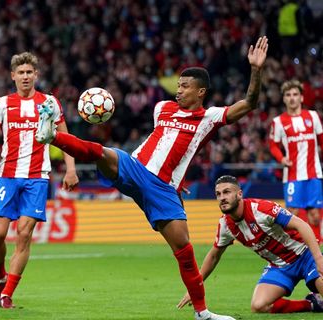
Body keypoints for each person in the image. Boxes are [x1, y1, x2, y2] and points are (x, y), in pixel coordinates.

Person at [34, 37, 270, 320]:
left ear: (201, 91)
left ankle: (202, 313)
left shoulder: (209, 117)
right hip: (135, 168)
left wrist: (255, 70)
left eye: (185, 86)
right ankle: (53, 136)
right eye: (178, 85)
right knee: (103, 153)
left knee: (184, 249)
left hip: (163, 189)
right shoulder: (162, 108)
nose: (178, 90)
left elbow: (250, 103)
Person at [0, 52, 78, 309]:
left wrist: (70, 170)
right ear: (13, 76)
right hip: (8, 176)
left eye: (29, 72)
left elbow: (67, 140)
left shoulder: (49, 103)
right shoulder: (2, 103)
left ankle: (7, 293)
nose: (25, 76)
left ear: (36, 75)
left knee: (24, 234)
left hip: (37, 177)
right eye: (20, 72)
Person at [177, 175, 323, 314]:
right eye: (218, 194)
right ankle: (311, 304)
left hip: (305, 256)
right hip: (280, 266)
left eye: (227, 192)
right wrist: (195, 287)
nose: (222, 198)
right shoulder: (225, 225)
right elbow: (214, 256)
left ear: (239, 194)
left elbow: (302, 225)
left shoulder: (261, 209)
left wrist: (318, 259)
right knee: (259, 305)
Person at [269, 80, 323, 242]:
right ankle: (291, 249)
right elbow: (273, 146)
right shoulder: (278, 122)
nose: (292, 98)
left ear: (301, 97)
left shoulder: (312, 116)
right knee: (292, 213)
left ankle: (317, 251)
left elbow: (321, 140)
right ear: (284, 99)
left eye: (295, 94)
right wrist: (282, 158)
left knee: (314, 215)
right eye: (288, 95)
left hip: (313, 173)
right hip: (292, 175)